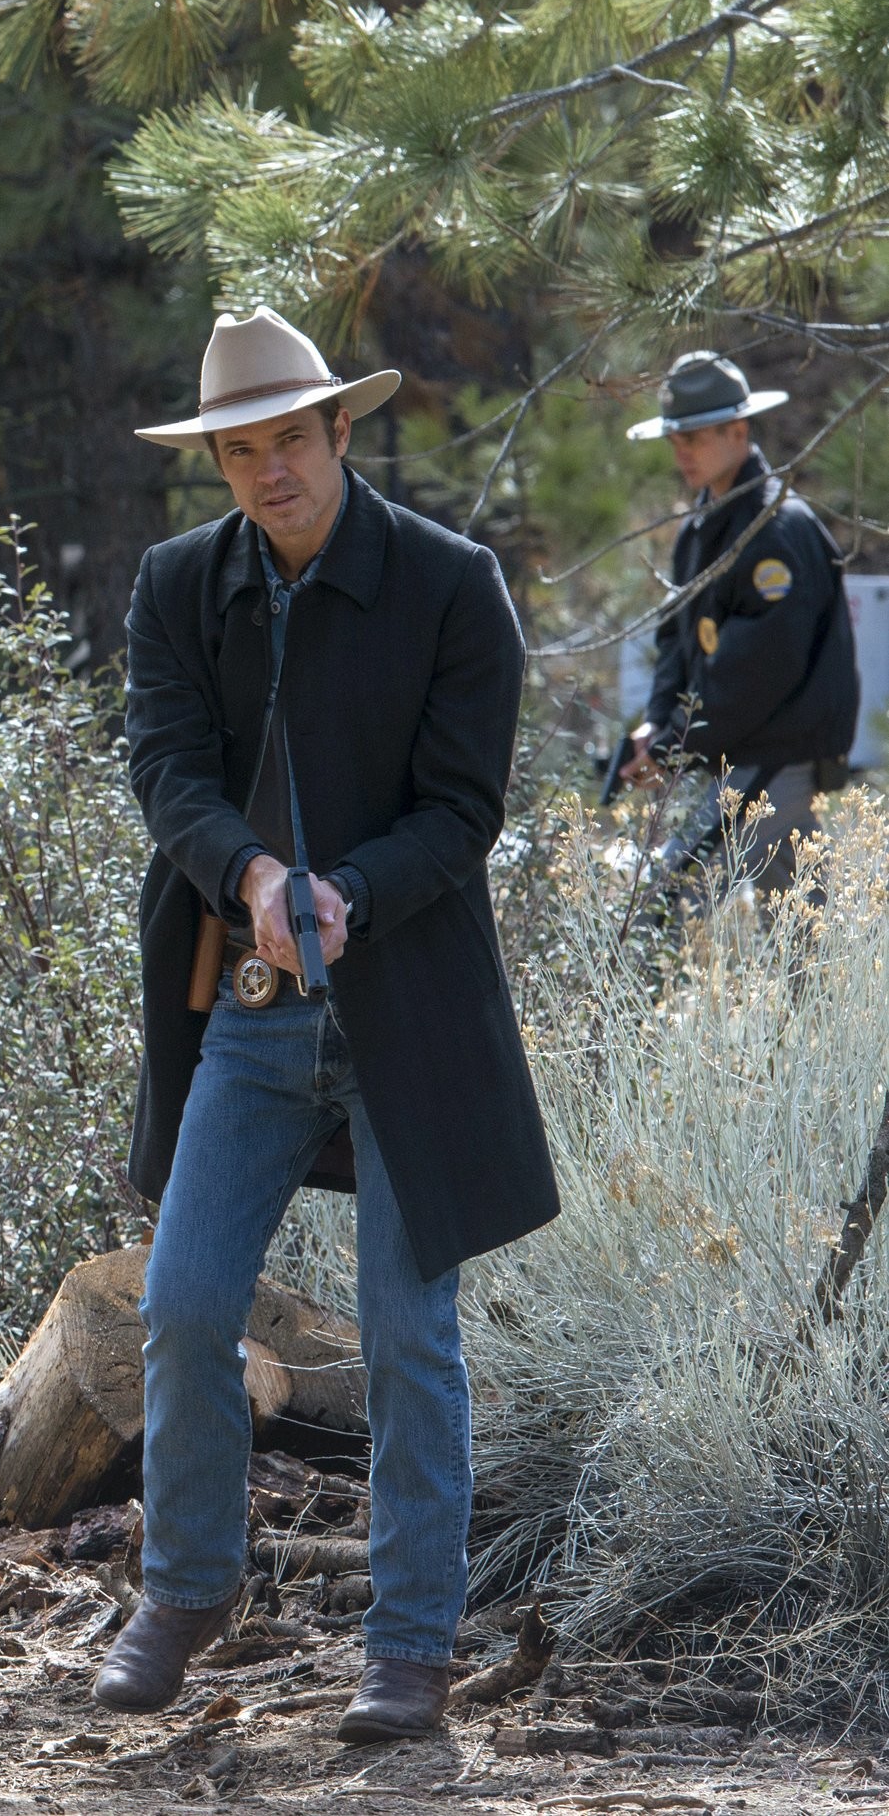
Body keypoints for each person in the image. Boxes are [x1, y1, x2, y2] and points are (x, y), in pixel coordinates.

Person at [105, 306, 560, 1742]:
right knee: (180, 1303)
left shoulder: (449, 585)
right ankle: (185, 1589)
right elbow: (165, 770)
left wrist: (352, 890)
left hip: (408, 1012)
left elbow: (464, 811)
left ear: (340, 434)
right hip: (245, 1005)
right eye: (237, 450)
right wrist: (244, 873)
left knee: (404, 1333)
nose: (266, 472)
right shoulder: (180, 586)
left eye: (287, 440)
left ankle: (411, 1649)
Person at [613, 350, 858, 897]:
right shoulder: (701, 527)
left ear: (738, 430)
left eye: (694, 438)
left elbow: (755, 673)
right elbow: (676, 641)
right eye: (675, 441)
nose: (682, 454)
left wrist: (670, 745)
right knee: (684, 904)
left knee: (791, 931)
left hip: (778, 758)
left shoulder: (775, 530)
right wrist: (657, 724)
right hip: (734, 753)